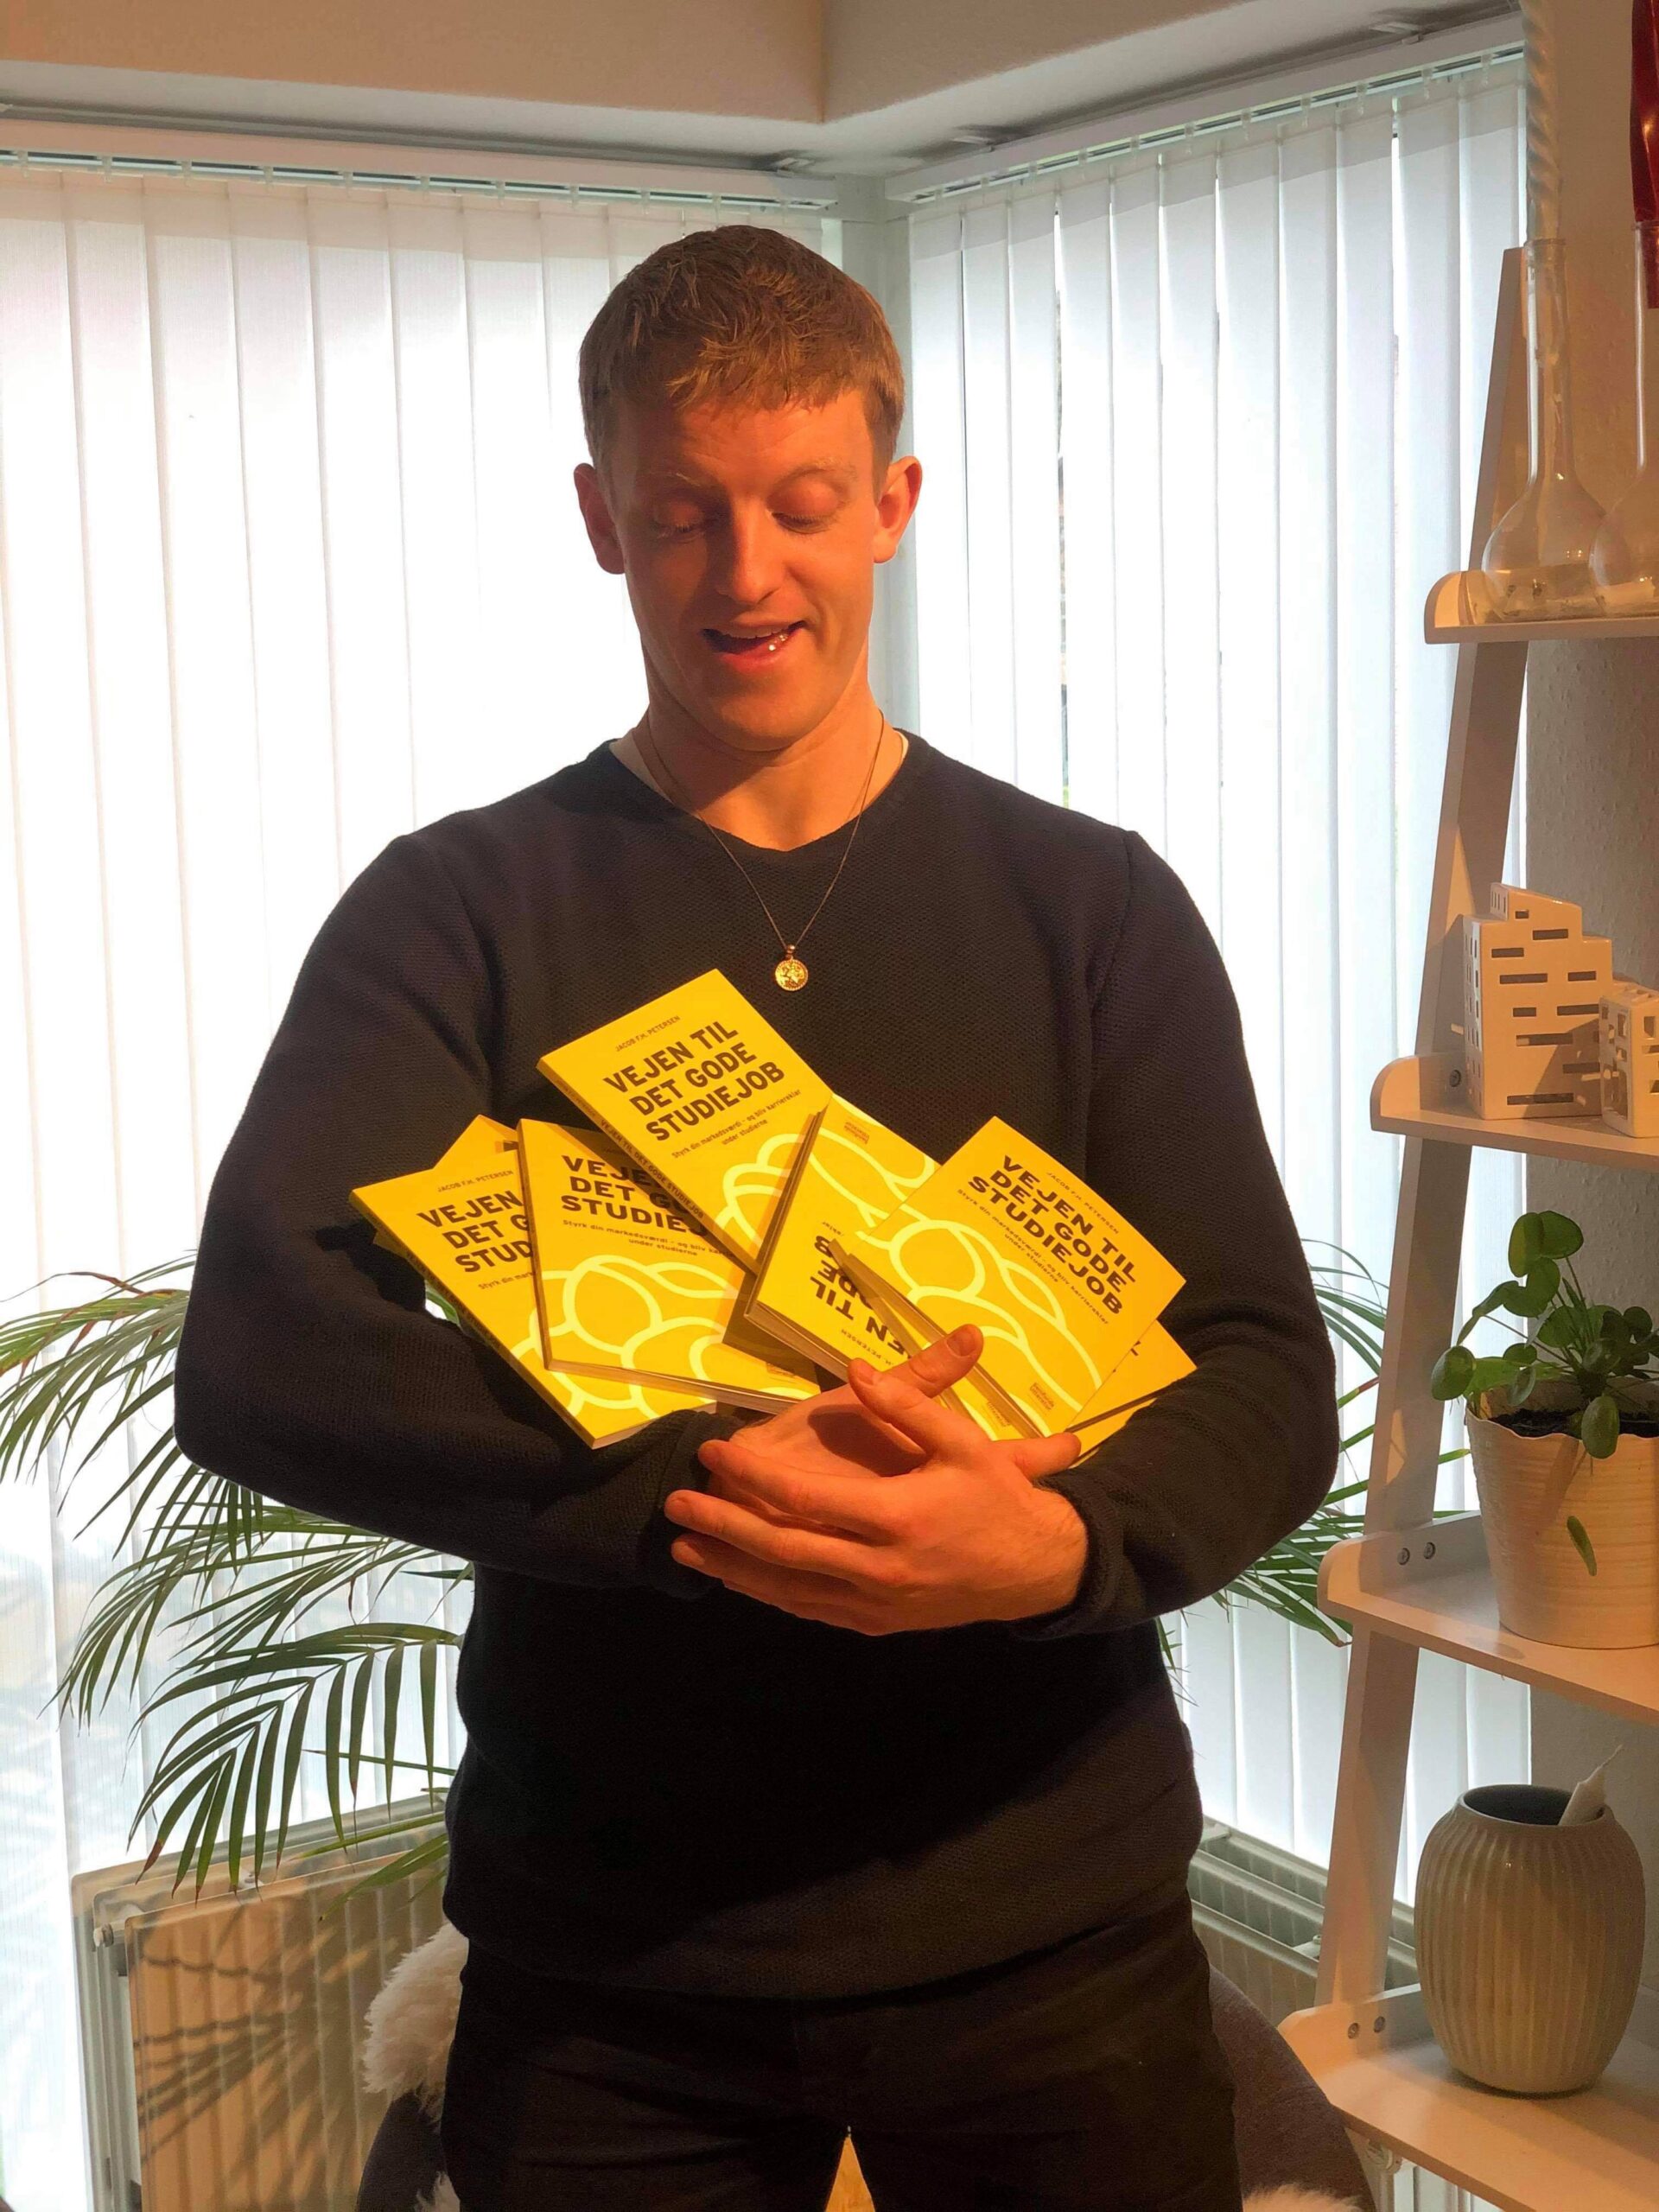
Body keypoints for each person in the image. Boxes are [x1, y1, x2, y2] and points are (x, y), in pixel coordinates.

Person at [171, 224, 1339, 2210]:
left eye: (801, 504)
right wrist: (703, 1492)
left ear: (892, 501)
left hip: (1050, 1924)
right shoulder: (461, 910)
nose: (745, 571)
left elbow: (1259, 1367)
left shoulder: (1091, 907)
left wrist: (1060, 1543)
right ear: (600, 520)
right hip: (614, 1959)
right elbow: (264, 1348)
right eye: (682, 513)